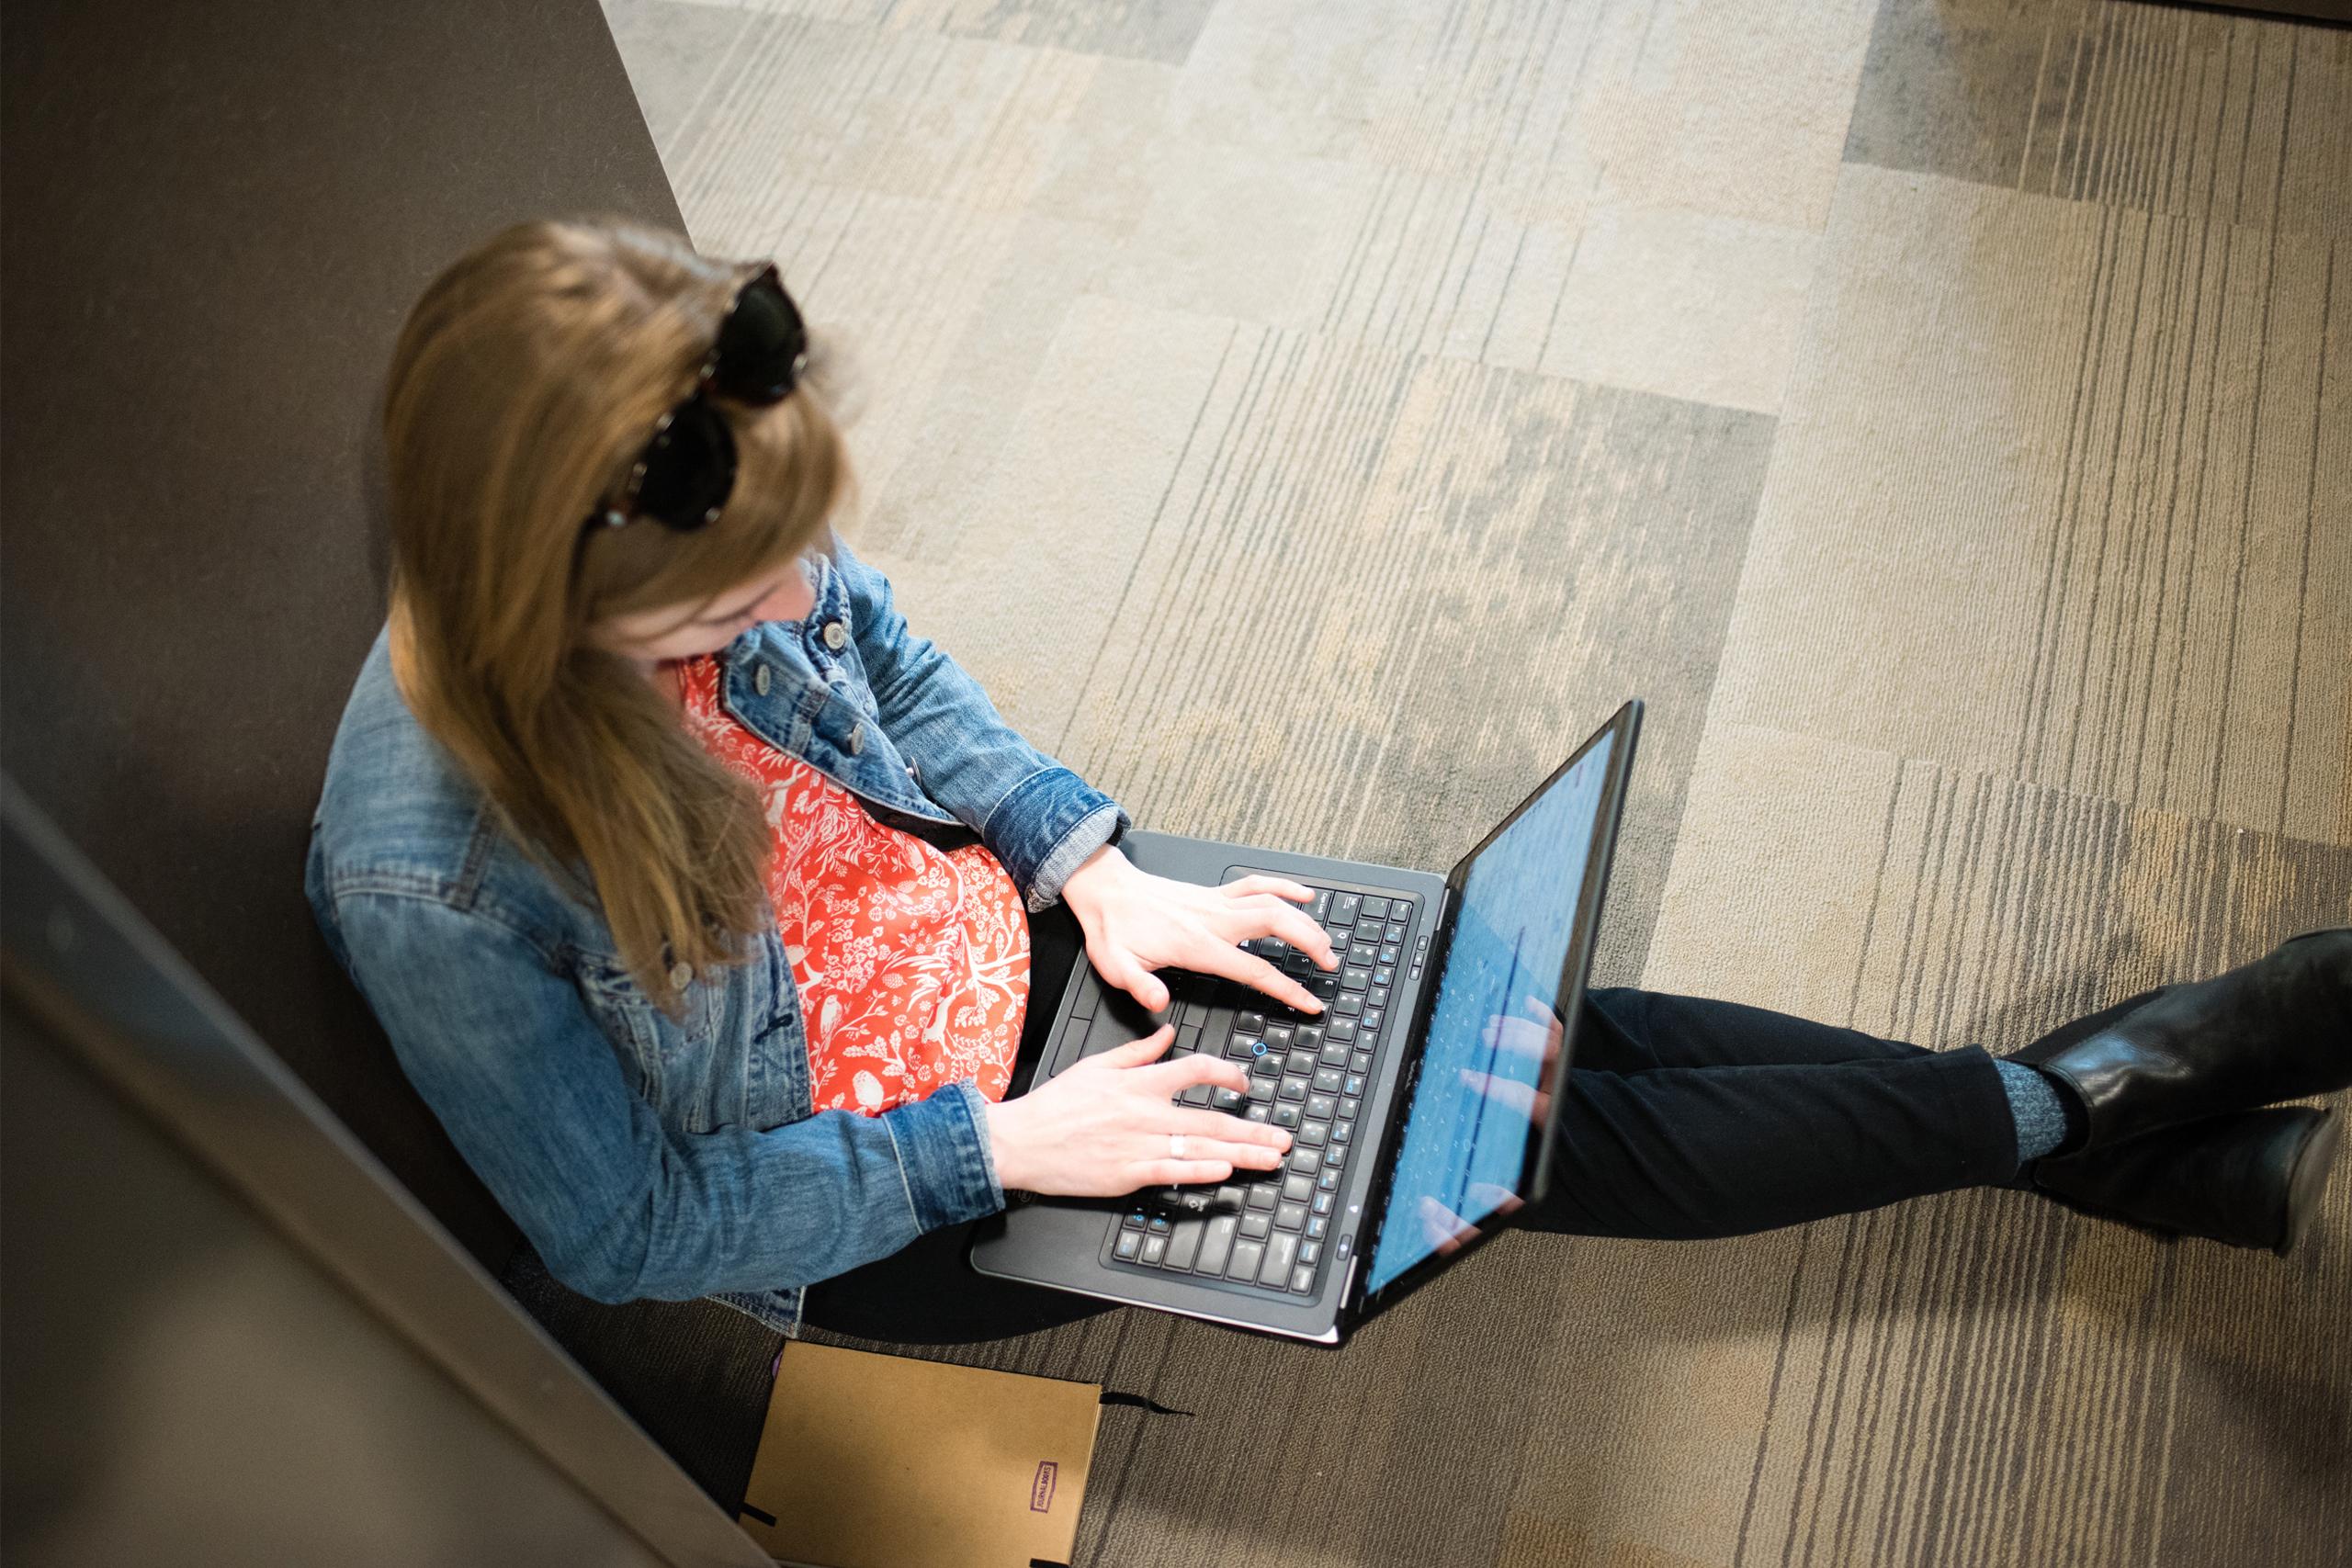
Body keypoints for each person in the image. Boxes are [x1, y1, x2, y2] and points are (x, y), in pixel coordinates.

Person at [307, 217, 2350, 1348]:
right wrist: (1005, 1149)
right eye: (730, 595)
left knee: (1518, 1019)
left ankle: (2122, 1134)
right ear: (557, 588)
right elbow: (632, 1223)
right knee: (1494, 1136)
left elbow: (900, 675)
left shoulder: (696, 528)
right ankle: (2103, 1099)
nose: (792, 595)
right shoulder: (435, 881)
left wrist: (1087, 862)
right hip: (907, 1183)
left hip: (1024, 953)